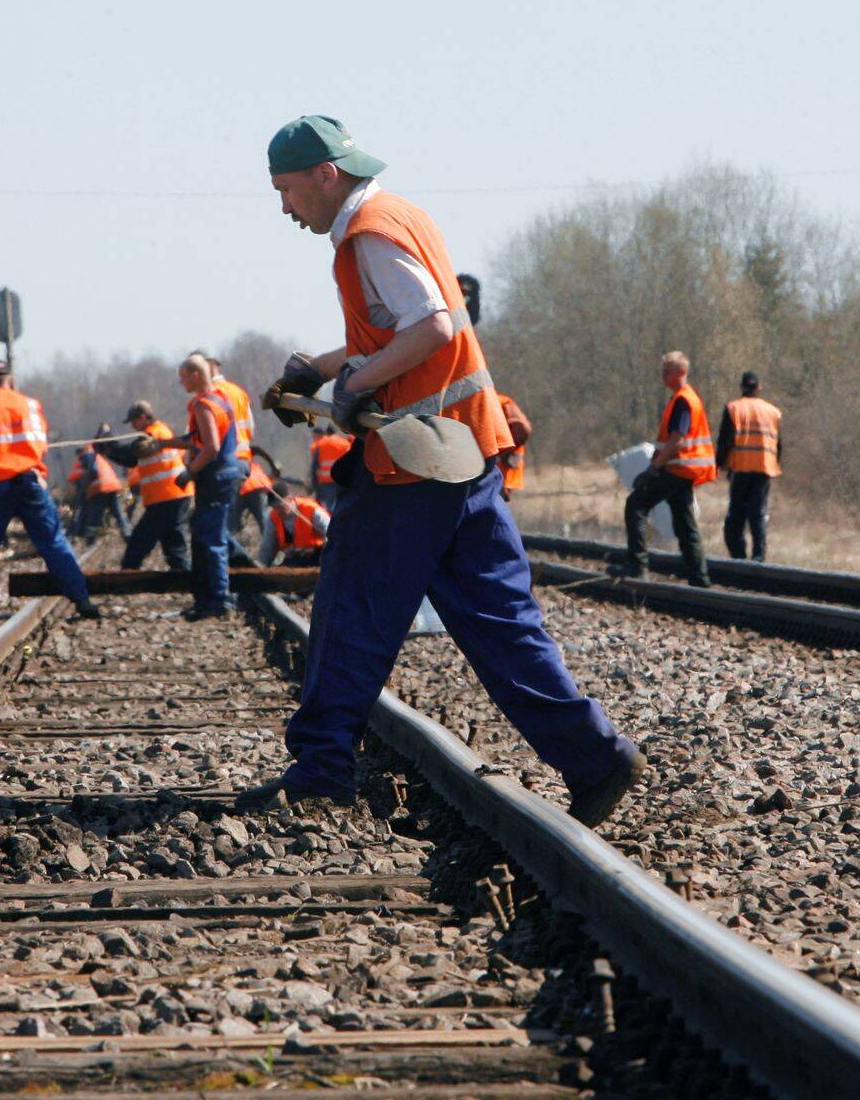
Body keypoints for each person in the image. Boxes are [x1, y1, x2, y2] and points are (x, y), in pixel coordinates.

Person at [254, 115, 642, 827]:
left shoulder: (368, 232)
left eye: (286, 190)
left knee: (352, 609)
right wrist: (322, 365)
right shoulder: (402, 216)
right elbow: (405, 325)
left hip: (414, 464)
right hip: (467, 454)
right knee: (501, 620)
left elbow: (431, 326)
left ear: (323, 176)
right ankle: (594, 756)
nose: (284, 207)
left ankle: (321, 769)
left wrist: (354, 384)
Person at [0, 359, 100, 620]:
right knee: (53, 541)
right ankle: (82, 600)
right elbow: (42, 445)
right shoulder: (32, 406)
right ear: (10, 379)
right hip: (30, 481)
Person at [616, 351, 716, 585]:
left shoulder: (683, 400)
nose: (662, 376)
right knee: (685, 523)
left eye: (666, 371)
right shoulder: (686, 397)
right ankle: (700, 579)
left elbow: (676, 439)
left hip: (678, 469)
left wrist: (653, 468)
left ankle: (637, 566)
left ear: (679, 372)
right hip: (682, 471)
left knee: (636, 504)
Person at [180, 354, 245, 619]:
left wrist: (189, 472)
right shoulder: (221, 399)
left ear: (196, 375)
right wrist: (161, 445)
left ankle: (219, 600)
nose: (179, 382)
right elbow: (199, 439)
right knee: (204, 534)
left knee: (212, 539)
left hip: (215, 477)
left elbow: (210, 447)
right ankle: (207, 598)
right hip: (226, 474)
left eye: (182, 376)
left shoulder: (203, 404)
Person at [98, 400, 193, 570]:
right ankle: (190, 582)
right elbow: (131, 460)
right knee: (174, 548)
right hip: (174, 496)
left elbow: (129, 453)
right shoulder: (161, 430)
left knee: (138, 545)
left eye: (134, 421)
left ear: (142, 417)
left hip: (165, 498)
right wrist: (108, 449)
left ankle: (127, 579)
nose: (133, 426)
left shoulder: (151, 434)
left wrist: (107, 442)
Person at [715, 372, 782, 562]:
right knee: (758, 514)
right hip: (764, 468)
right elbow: (778, 443)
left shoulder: (733, 408)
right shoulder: (772, 411)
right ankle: (759, 559)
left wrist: (719, 464)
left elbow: (725, 441)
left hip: (741, 468)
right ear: (759, 388)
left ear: (741, 387)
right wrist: (775, 464)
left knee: (736, 515)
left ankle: (738, 558)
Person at [70, 436, 132, 542]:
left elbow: (90, 473)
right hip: (113, 486)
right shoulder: (97, 456)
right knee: (118, 512)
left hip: (99, 489)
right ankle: (128, 534)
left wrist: (83, 488)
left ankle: (90, 540)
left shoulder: (87, 457)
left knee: (94, 516)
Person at [266, 482, 330, 566]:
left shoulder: (312, 510)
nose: (277, 511)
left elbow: (334, 536)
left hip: (316, 558)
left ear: (289, 499)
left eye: (279, 507)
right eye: (274, 508)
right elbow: (267, 548)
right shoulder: (273, 518)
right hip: (293, 559)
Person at [309, 422, 352, 513]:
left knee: (325, 510)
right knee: (342, 508)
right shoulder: (345, 444)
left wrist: (314, 485)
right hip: (342, 482)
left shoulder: (319, 444)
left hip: (325, 484)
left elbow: (314, 467)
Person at [495, 392, 530, 500]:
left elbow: (522, 429)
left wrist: (504, 454)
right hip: (499, 475)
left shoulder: (500, 402)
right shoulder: (500, 401)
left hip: (499, 474)